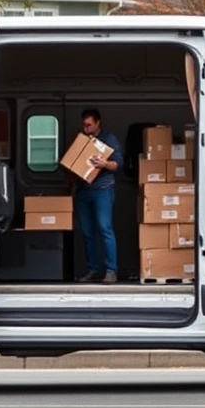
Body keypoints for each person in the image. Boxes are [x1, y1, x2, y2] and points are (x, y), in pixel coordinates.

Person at [73, 108, 124, 284]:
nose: (86, 128)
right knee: (87, 232)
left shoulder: (109, 140)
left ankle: (111, 271)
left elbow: (119, 165)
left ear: (97, 123)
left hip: (103, 190)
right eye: (84, 124)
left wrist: (104, 163)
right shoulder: (81, 141)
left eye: (89, 124)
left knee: (105, 228)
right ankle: (92, 270)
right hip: (83, 191)